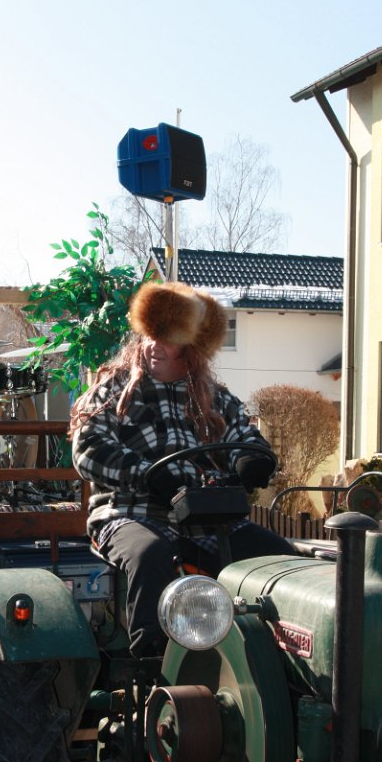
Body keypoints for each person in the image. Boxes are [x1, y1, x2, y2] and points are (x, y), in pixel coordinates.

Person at [71, 281, 294, 658]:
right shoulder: (113, 390)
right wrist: (146, 474)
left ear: (191, 350)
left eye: (167, 338)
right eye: (150, 335)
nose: (154, 345)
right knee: (152, 554)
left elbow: (248, 438)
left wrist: (252, 460)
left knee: (276, 557)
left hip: (208, 520)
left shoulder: (216, 397)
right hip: (131, 514)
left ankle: (276, 659)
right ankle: (149, 663)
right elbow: (88, 449)